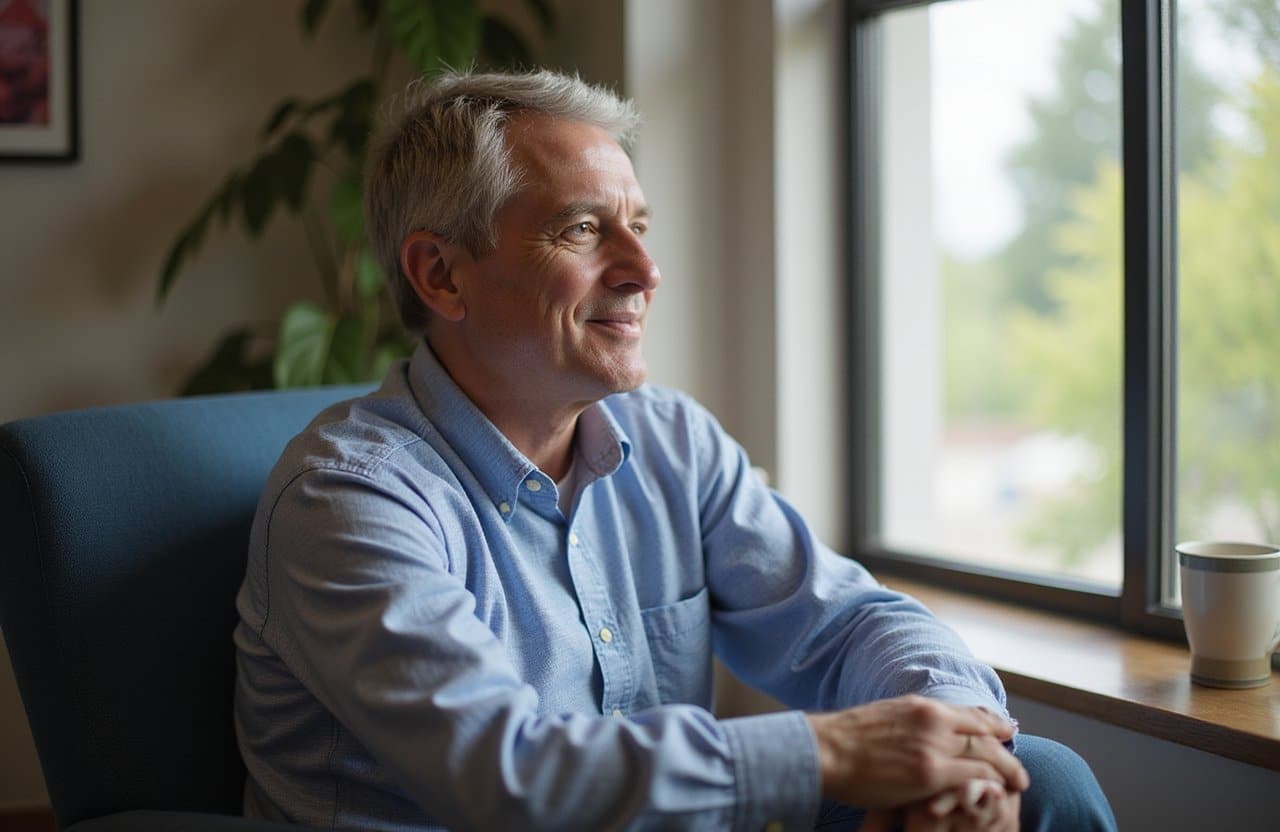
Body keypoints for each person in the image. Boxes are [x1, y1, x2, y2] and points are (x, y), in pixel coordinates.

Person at [233, 69, 1117, 831]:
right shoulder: (346, 501)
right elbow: (507, 775)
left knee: (1044, 784)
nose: (644, 270)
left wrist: (958, 740)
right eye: (582, 229)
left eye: (640, 227)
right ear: (442, 275)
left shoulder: (669, 440)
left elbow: (842, 619)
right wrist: (831, 752)